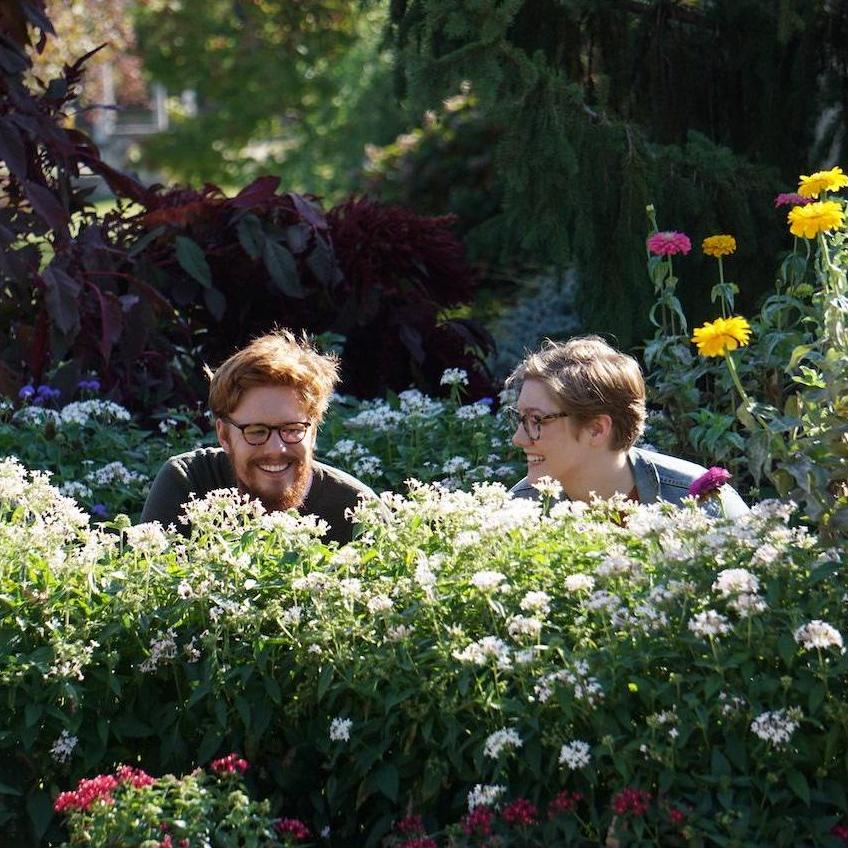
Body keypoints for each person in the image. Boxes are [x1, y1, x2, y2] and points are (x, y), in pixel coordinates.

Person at [141, 330, 377, 543]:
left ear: (313, 432)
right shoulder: (188, 481)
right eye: (256, 431)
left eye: (292, 429)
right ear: (224, 434)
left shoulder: (357, 508)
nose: (276, 448)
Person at [505, 336, 749, 517]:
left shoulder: (701, 498)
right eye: (520, 419)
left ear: (597, 429)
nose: (519, 438)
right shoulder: (519, 511)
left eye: (536, 420)